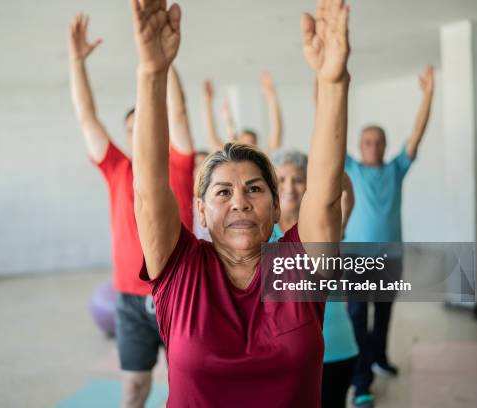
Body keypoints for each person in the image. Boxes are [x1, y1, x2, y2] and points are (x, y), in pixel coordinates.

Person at [130, 0, 350, 406]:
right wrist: (152, 72)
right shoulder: (180, 269)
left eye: (254, 189)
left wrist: (333, 82)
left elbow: (324, 195)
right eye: (222, 192)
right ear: (200, 210)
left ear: (277, 205)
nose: (240, 202)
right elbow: (147, 189)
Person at [67, 13, 194, 407]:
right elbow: (87, 118)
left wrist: (162, 60)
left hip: (178, 292)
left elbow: (178, 112)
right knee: (134, 388)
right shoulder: (117, 168)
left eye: (148, 124)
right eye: (133, 127)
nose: (141, 133)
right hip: (128, 298)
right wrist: (76, 62)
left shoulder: (180, 161)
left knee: (188, 385)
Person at [345, 65, 434, 408]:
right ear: (359, 145)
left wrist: (427, 94)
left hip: (390, 259)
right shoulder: (350, 169)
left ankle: (380, 358)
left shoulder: (396, 169)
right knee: (356, 319)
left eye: (379, 141)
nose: (374, 145)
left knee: (382, 316)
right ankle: (362, 380)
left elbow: (416, 134)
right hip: (354, 259)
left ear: (384, 145)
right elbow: (330, 130)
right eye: (368, 141)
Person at [272, 150, 359, 408]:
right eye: (281, 179)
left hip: (335, 349)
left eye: (298, 179)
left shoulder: (325, 229)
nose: (289, 187)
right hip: (283, 357)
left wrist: (326, 168)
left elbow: (346, 196)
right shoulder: (261, 233)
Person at [202, 71, 282, 151]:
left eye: (251, 143)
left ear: (256, 145)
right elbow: (212, 136)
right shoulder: (229, 156)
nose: (247, 146)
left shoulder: (260, 158)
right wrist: (207, 101)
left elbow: (276, 137)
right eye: (244, 142)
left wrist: (272, 97)